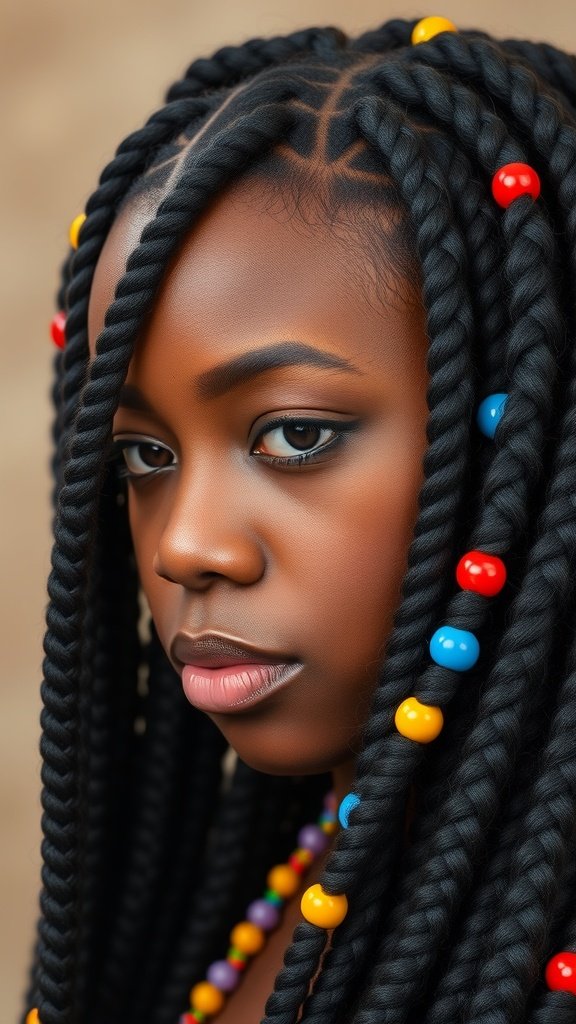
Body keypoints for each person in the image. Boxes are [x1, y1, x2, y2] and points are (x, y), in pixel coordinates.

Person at [25, 13, 576, 1024]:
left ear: (532, 428)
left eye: (294, 438)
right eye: (144, 456)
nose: (186, 544)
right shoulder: (299, 878)